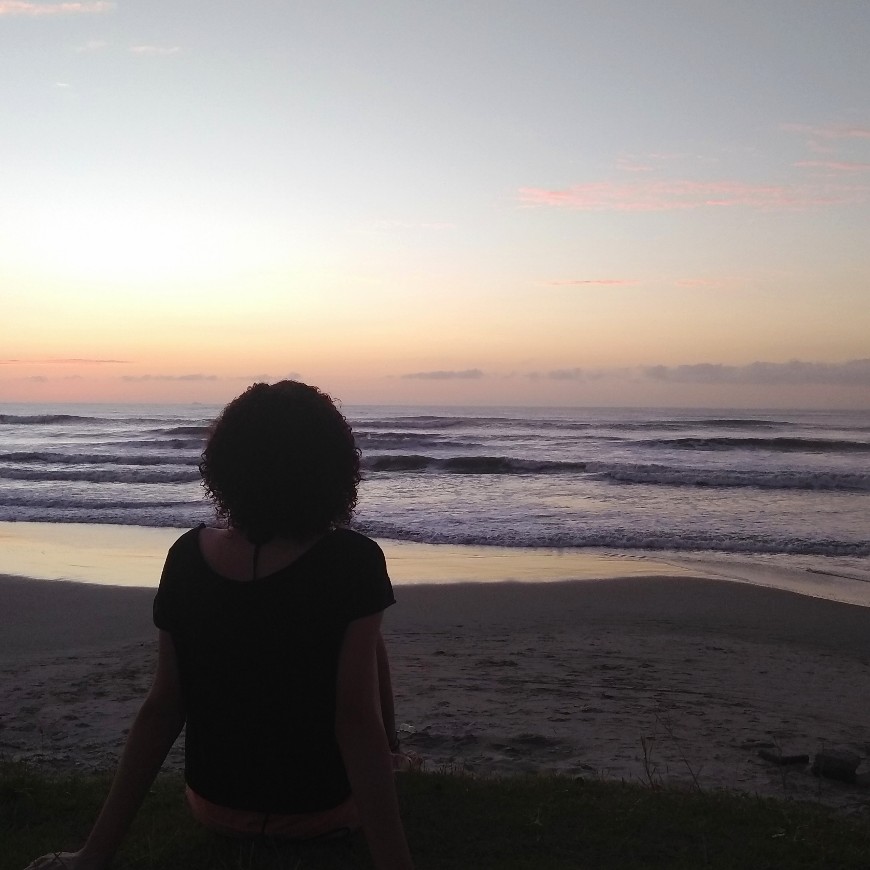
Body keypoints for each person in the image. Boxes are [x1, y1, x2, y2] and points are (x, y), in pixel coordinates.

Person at [25, 380, 415, 870]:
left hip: (214, 806)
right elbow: (354, 720)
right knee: (361, 633)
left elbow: (163, 707)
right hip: (320, 812)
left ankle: (393, 752)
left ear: (227, 466)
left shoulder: (186, 556)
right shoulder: (354, 561)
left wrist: (93, 854)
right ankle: (395, 754)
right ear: (333, 469)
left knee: (361, 632)